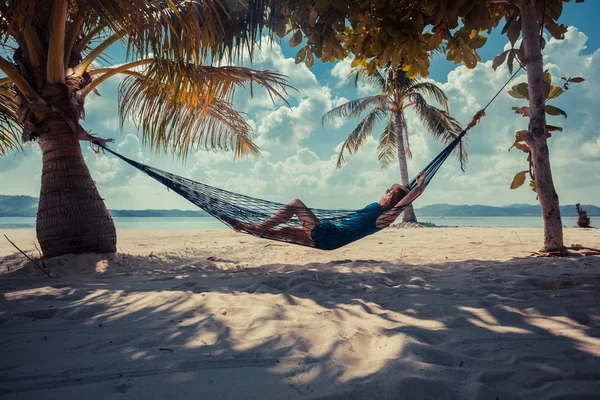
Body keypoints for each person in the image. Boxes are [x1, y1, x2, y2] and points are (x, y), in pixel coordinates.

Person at [223, 172, 427, 250]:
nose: (384, 193)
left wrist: (418, 187)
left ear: (392, 198)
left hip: (329, 236)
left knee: (296, 204)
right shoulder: (380, 212)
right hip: (329, 233)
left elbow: (405, 202)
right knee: (278, 233)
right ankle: (250, 228)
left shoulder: (385, 217)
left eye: (388, 191)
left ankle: (255, 227)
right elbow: (401, 200)